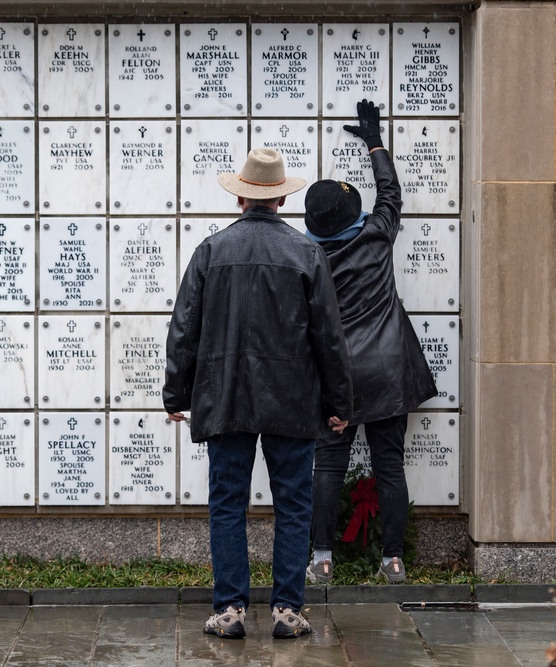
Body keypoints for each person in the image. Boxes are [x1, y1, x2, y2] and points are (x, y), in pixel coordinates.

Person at [164, 147, 353, 639]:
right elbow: (329, 338)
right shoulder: (307, 253)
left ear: (241, 199)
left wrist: (176, 394)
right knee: (294, 504)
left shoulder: (210, 251)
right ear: (281, 201)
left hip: (225, 398)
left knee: (227, 503)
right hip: (293, 401)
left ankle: (230, 610)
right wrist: (339, 405)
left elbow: (184, 327)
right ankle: (288, 610)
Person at [303, 100, 437, 586]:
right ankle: (393, 560)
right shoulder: (377, 236)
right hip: (386, 371)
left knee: (328, 466)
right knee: (389, 466)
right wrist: (375, 142)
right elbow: (390, 195)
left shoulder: (307, 258)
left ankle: (321, 557)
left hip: (337, 379)